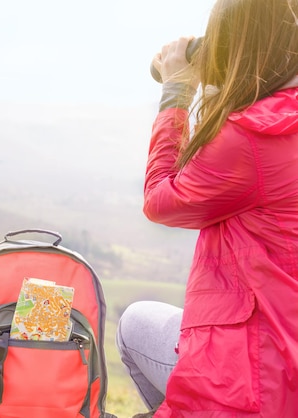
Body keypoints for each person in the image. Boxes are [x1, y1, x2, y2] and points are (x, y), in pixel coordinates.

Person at [116, 0, 298, 416]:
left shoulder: (254, 135)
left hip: (262, 381)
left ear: (237, 49)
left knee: (135, 323)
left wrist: (177, 89)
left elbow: (162, 201)